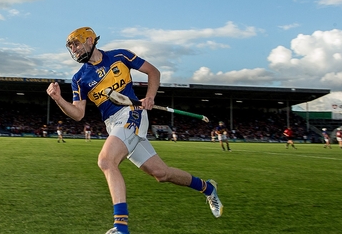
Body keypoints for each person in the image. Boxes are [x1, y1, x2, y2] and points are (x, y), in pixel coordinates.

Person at [46, 27, 222, 234]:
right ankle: (208, 188)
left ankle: (121, 227)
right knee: (161, 173)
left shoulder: (120, 56)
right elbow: (78, 114)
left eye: (76, 44)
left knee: (106, 161)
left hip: (131, 113)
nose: (74, 50)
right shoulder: (79, 79)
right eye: (71, 47)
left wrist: (150, 96)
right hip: (112, 123)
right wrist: (58, 99)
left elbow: (153, 72)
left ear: (90, 40)